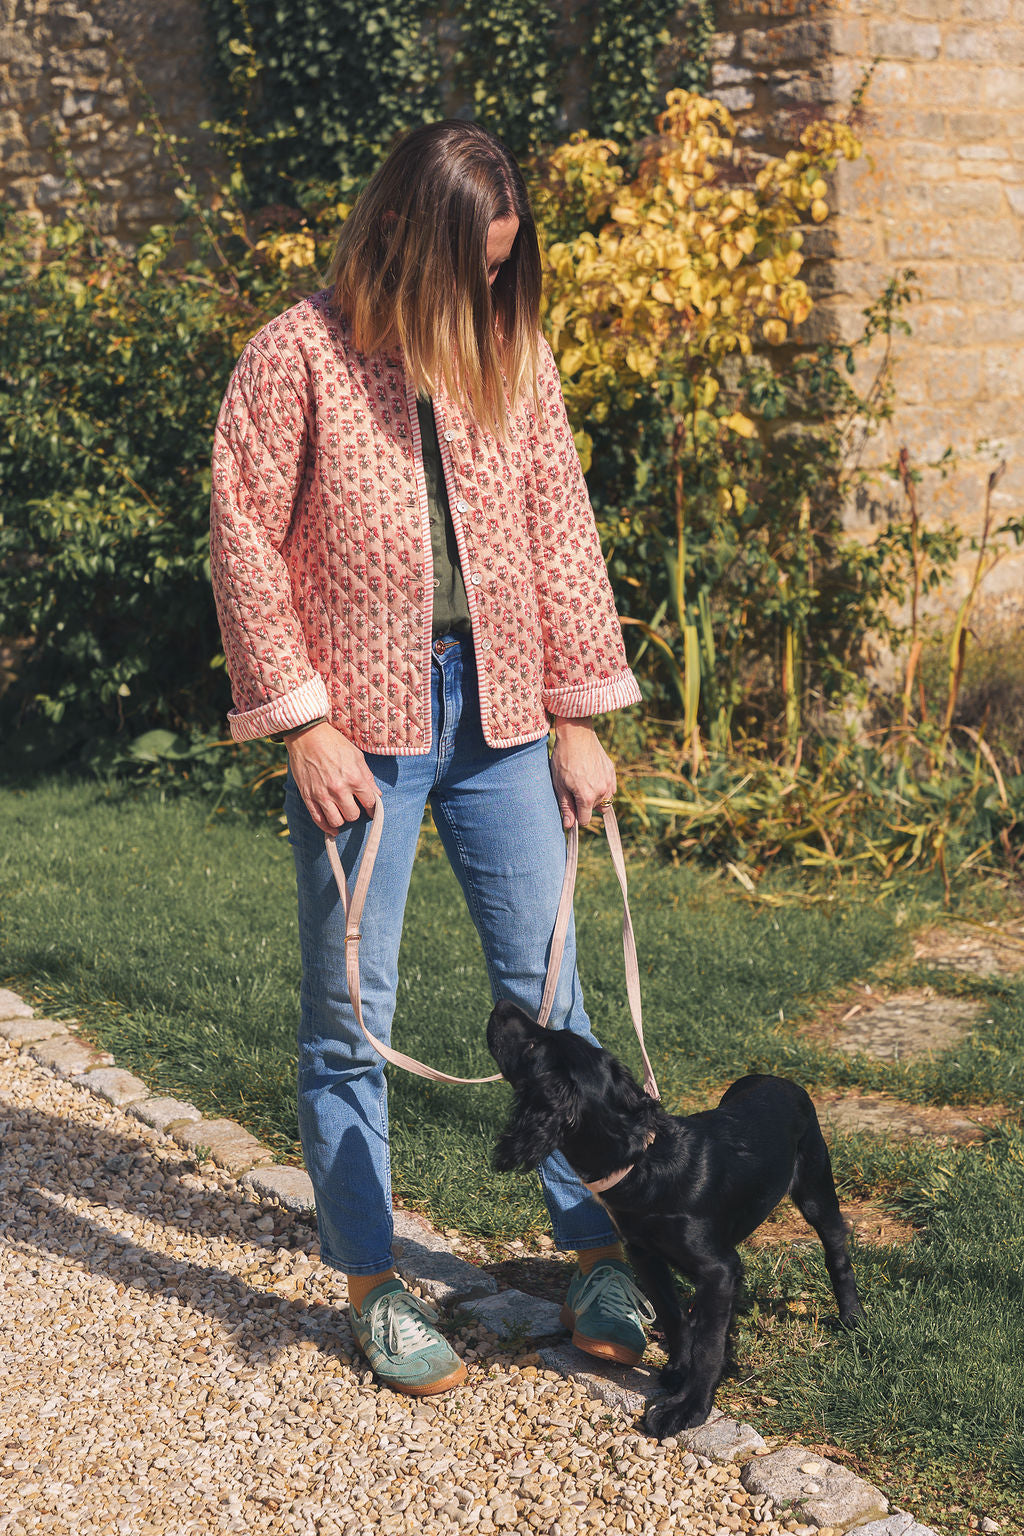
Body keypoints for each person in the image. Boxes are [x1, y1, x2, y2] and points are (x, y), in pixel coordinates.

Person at [209, 119, 654, 1398]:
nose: (489, 291)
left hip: (507, 712)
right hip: (363, 731)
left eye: (505, 268)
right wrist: (302, 721)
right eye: (473, 266)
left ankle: (599, 1249)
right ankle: (370, 1279)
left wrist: (578, 714)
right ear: (407, 238)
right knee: (353, 1018)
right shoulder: (295, 352)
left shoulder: (512, 348)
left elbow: (559, 525)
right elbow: (242, 534)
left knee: (553, 995)